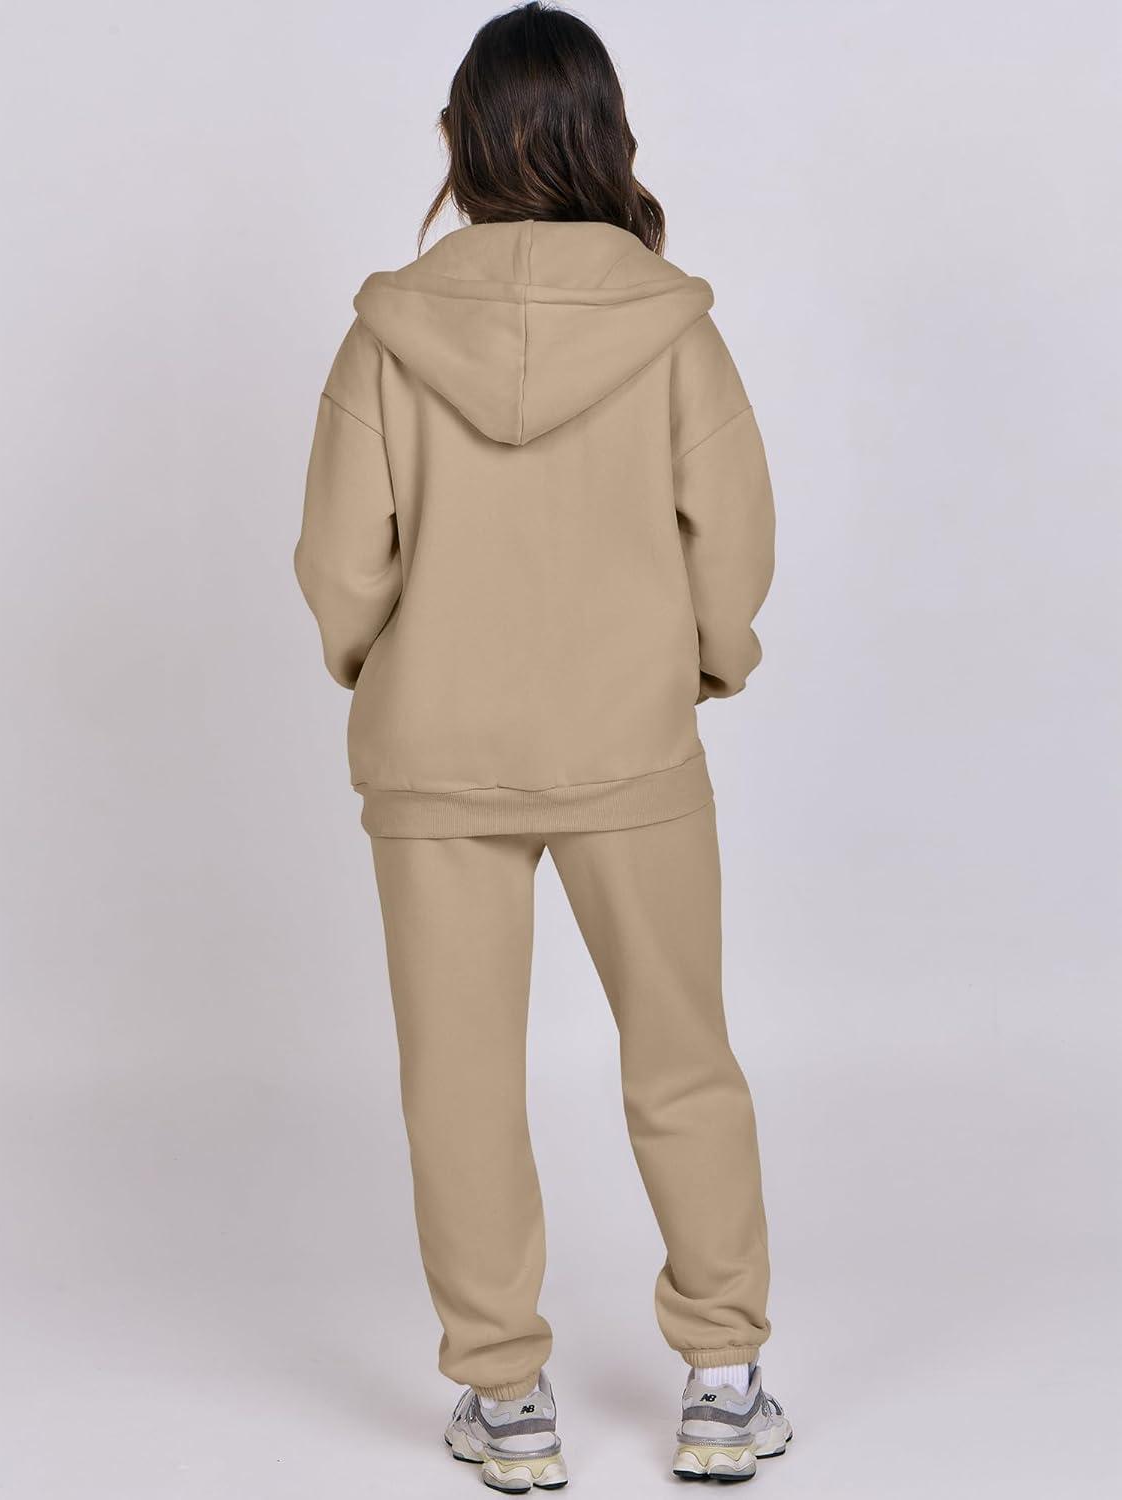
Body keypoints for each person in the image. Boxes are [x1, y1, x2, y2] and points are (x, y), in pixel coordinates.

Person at [295, 3, 790, 1488]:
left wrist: (387, 671)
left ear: (462, 138)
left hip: (434, 753)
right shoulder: (672, 328)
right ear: (606, 138)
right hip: (630, 742)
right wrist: (700, 663)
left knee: (457, 1079)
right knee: (682, 1057)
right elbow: (734, 541)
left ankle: (506, 1399)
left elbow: (339, 562)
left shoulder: (387, 335)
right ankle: (723, 1376)